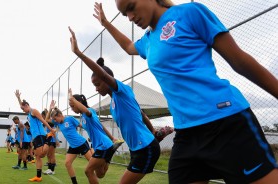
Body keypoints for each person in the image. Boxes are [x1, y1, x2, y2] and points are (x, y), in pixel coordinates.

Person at [92, 1, 278, 183]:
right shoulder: (148, 40)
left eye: (131, 7)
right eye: (125, 14)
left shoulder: (190, 12)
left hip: (226, 123)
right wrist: (106, 23)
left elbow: (239, 60)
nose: (131, 17)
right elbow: (128, 47)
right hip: (187, 135)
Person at [69, 27, 161, 184]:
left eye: (98, 84)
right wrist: (153, 131)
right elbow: (141, 114)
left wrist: (78, 53)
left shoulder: (122, 91)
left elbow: (103, 74)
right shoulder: (113, 104)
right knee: (101, 175)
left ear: (107, 80)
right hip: (138, 149)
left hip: (145, 148)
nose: (96, 89)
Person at [68, 89, 124, 184]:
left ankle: (109, 154)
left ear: (79, 103)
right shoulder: (82, 117)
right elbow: (100, 127)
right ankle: (109, 157)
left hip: (103, 145)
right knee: (100, 174)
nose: (72, 109)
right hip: (103, 145)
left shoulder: (89, 111)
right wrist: (112, 138)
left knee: (88, 171)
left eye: (73, 106)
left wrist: (72, 98)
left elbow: (86, 111)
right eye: (71, 107)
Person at [45, 101, 92, 184]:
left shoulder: (70, 119)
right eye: (54, 120)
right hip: (73, 146)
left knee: (92, 164)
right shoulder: (58, 122)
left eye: (55, 119)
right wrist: (50, 108)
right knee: (67, 163)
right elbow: (46, 120)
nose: (55, 121)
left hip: (81, 143)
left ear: (59, 115)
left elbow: (82, 126)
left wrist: (91, 134)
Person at [15, 90, 56, 182]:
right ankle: (38, 176)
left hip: (41, 135)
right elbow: (22, 105)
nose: (22, 110)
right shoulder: (29, 114)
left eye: (23, 109)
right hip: (36, 137)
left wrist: (51, 130)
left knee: (41, 155)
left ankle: (48, 138)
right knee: (37, 156)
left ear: (27, 106)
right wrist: (18, 98)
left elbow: (43, 120)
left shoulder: (34, 111)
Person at [41, 109, 58, 175]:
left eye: (43, 116)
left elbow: (54, 131)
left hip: (52, 139)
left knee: (51, 155)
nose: (42, 117)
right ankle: (49, 169)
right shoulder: (48, 122)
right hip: (49, 139)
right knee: (48, 155)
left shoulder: (51, 121)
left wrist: (56, 140)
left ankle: (52, 170)